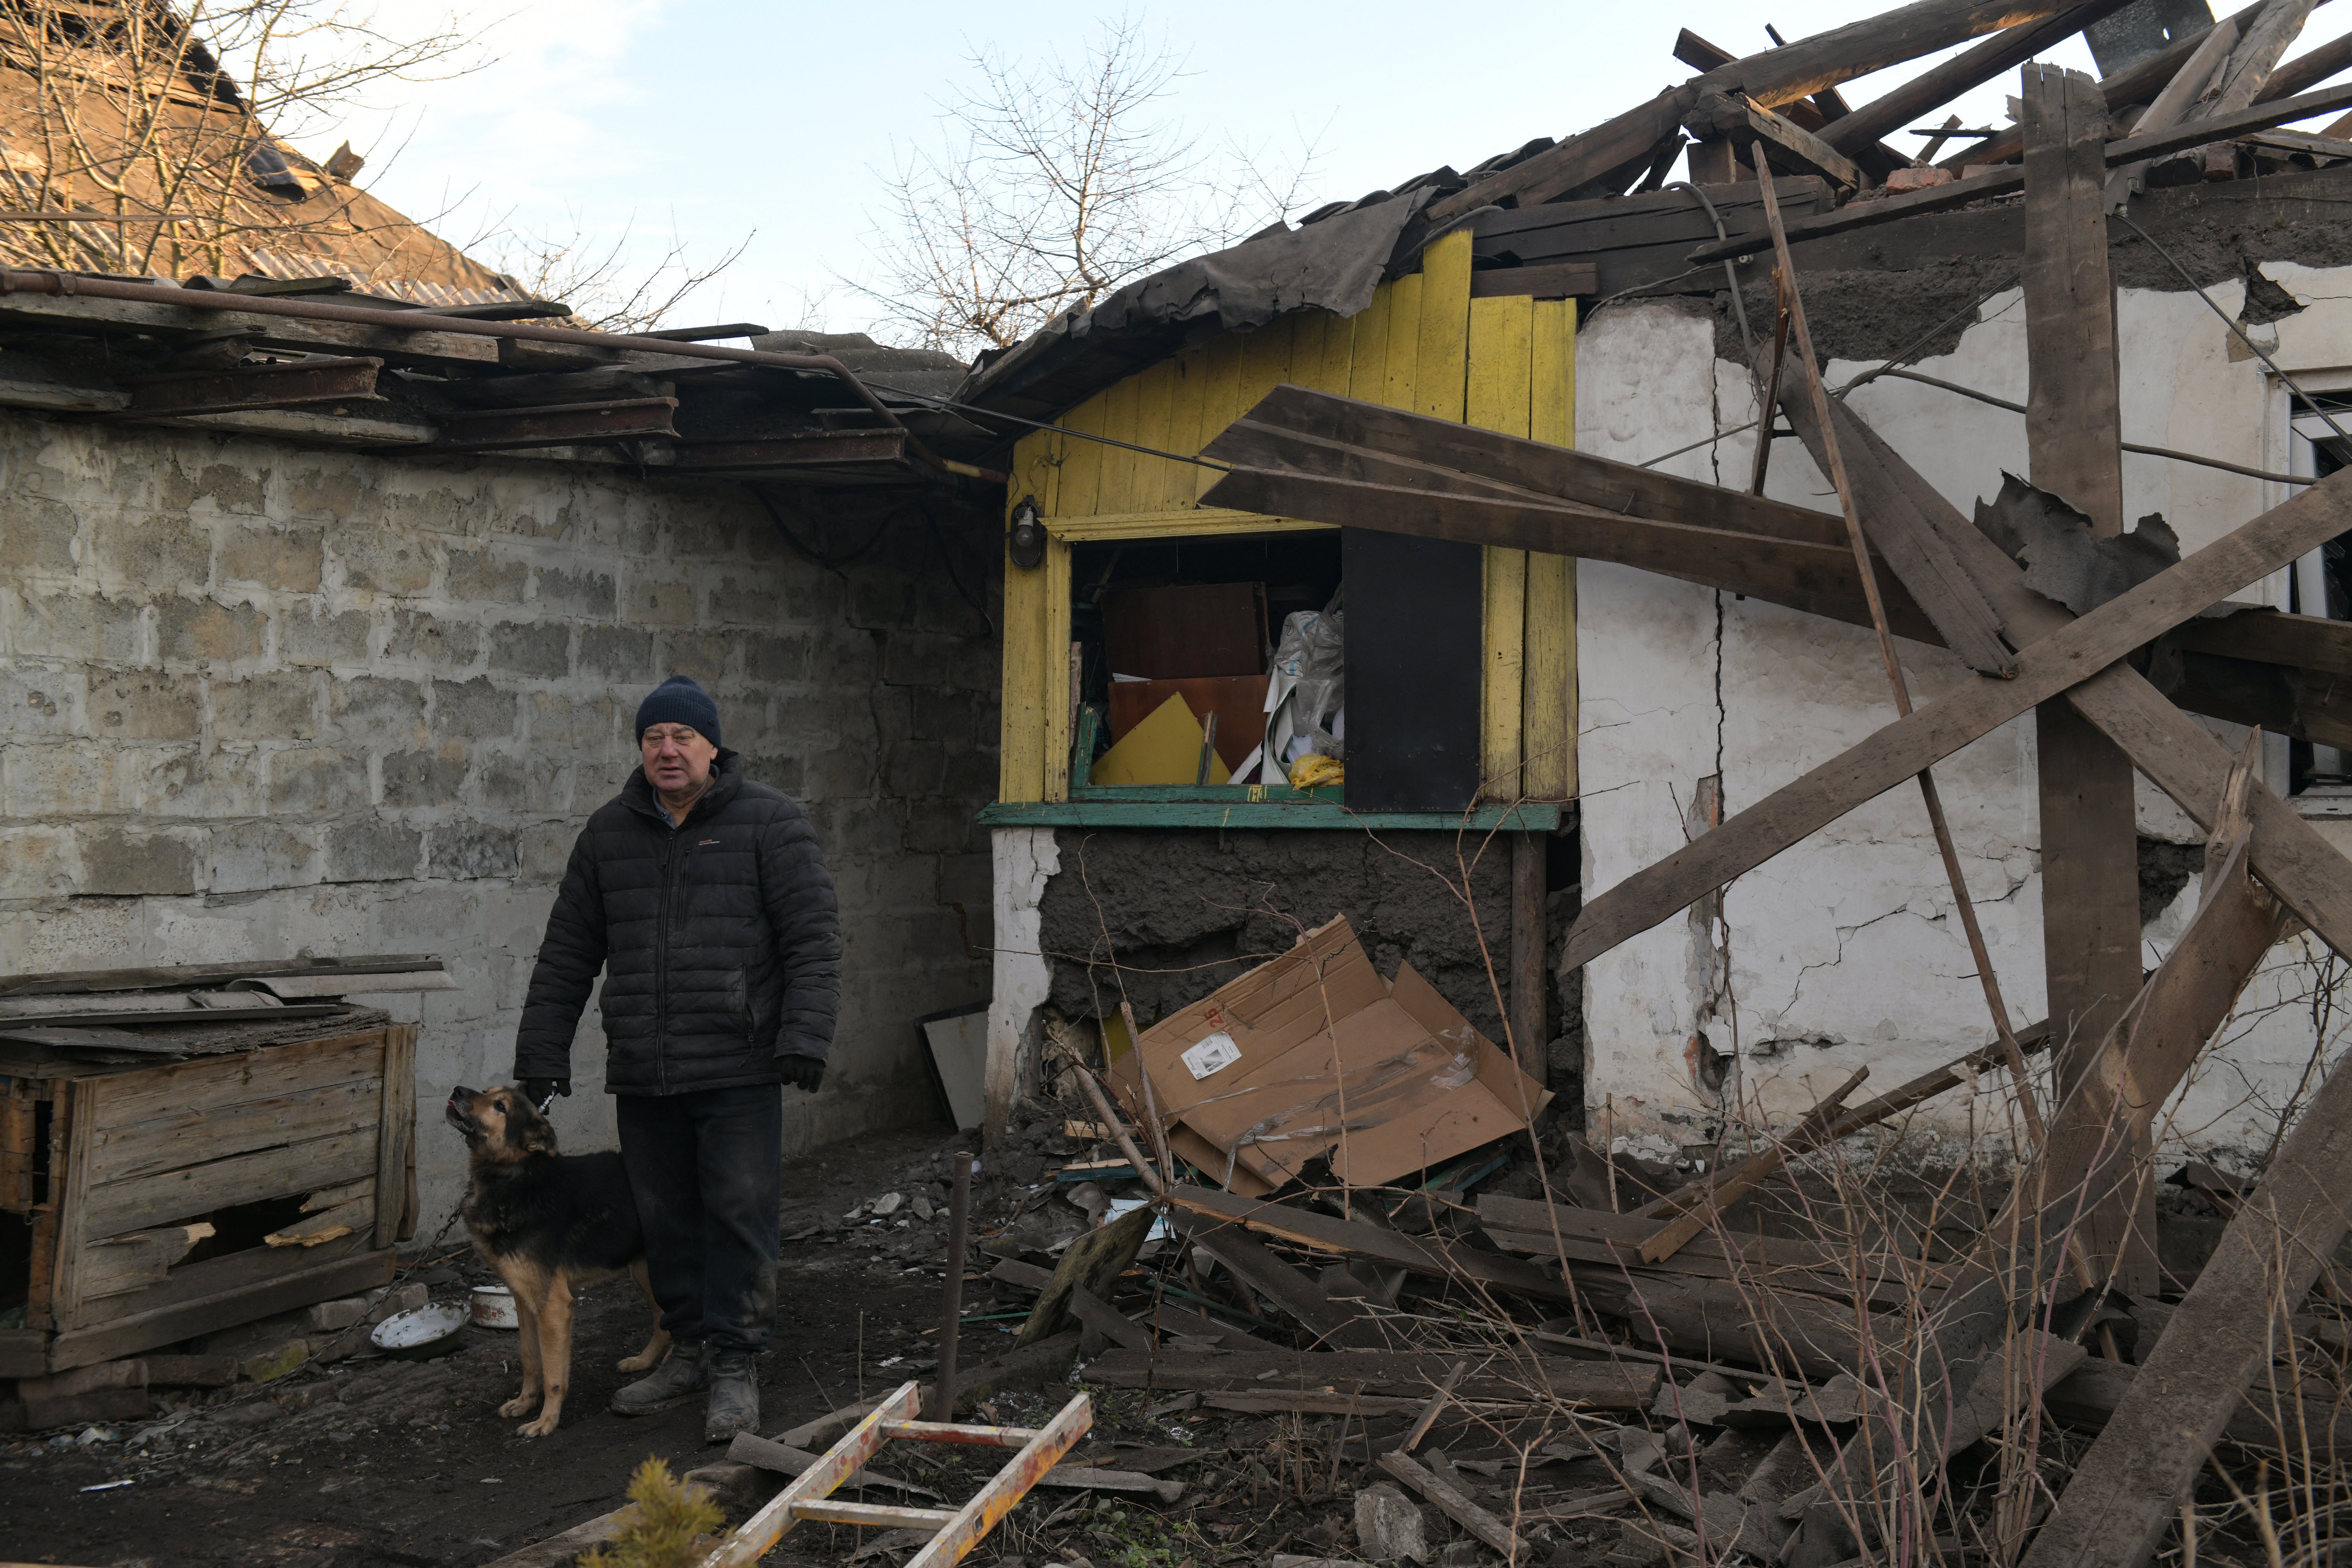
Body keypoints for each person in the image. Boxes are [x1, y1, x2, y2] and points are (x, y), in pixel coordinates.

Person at [511, 673, 840, 1442]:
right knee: (665, 1220)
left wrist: (804, 1038)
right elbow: (568, 952)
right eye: (654, 737)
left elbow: (813, 941)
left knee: (738, 1214)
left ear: (713, 746)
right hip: (646, 1070)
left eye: (682, 737)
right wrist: (543, 1053)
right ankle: (688, 1346)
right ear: (640, 748)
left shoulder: (771, 824)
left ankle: (735, 1362)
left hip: (738, 1065)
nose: (667, 750)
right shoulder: (608, 835)